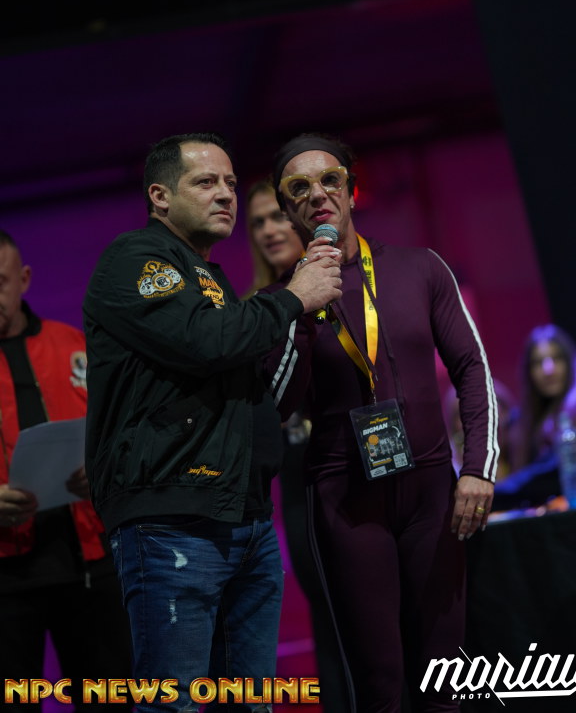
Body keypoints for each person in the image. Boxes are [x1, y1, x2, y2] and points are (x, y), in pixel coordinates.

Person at [83, 132, 341, 713]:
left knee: (251, 705)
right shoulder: (135, 259)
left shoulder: (210, 277)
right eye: (205, 182)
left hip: (244, 519)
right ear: (160, 196)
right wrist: (292, 297)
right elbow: (206, 341)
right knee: (173, 705)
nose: (225, 194)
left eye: (229, 182)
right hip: (172, 522)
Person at [262, 133, 499, 713]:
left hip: (431, 493)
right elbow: (276, 405)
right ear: (289, 209)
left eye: (330, 180)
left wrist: (478, 469)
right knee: (379, 687)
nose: (318, 195)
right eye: (299, 189)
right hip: (346, 501)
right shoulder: (279, 302)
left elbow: (472, 367)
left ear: (351, 191)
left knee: (445, 681)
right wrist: (302, 306)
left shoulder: (421, 268)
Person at [0, 230, 131, 710]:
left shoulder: (74, 345)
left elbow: (124, 438)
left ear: (24, 279)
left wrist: (103, 470)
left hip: (90, 562)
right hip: (6, 579)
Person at [244, 181, 349, 713]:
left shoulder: (343, 286)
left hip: (354, 461)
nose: (268, 230)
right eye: (257, 222)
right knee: (329, 612)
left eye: (276, 217)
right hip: (295, 475)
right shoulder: (254, 308)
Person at [494, 323, 576, 509]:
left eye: (556, 358)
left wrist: (494, 494)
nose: (548, 370)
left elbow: (553, 471)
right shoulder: (534, 421)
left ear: (570, 360)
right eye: (538, 362)